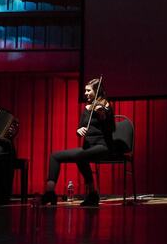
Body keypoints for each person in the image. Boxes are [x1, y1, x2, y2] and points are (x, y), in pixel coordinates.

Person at [40, 79, 115, 207]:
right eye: (85, 90)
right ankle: (50, 192)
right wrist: (79, 130)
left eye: (88, 90)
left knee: (80, 156)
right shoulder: (86, 108)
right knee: (55, 156)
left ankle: (92, 194)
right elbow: (80, 127)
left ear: (96, 91)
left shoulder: (105, 105)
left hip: (102, 146)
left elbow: (111, 127)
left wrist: (102, 115)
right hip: (87, 148)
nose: (85, 93)